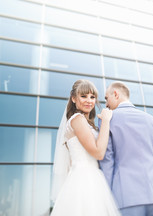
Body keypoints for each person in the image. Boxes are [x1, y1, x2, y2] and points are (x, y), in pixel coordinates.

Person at [50, 79, 121, 216]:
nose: (89, 100)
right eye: (83, 96)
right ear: (74, 99)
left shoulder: (88, 124)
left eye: (92, 97)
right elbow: (98, 153)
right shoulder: (77, 119)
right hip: (84, 180)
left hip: (92, 178)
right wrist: (106, 120)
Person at [100, 81, 153, 216]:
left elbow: (107, 162)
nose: (106, 104)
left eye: (106, 98)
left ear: (115, 94)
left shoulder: (107, 120)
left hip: (126, 199)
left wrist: (108, 199)